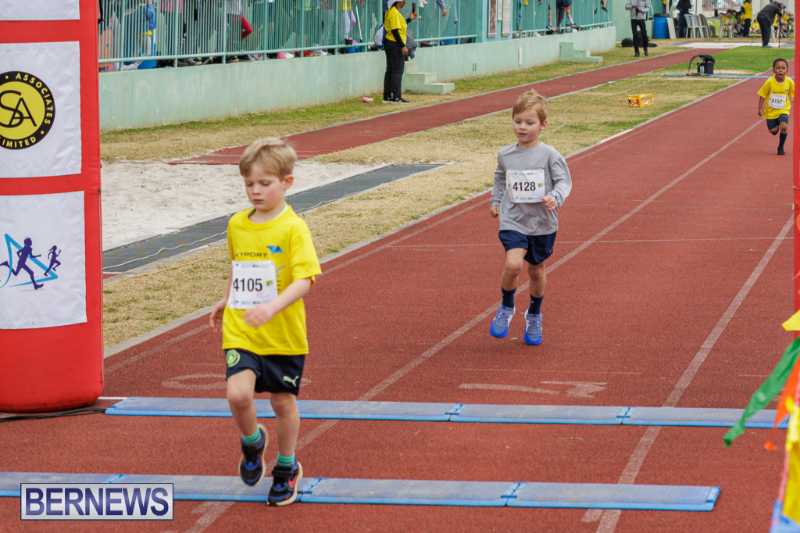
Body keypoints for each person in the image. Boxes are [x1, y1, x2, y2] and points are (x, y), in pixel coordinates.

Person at [209, 137, 322, 506]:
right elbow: (238, 267)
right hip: (242, 328)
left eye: (264, 183)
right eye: (249, 184)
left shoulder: (294, 229)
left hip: (283, 334)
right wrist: (226, 299)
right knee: (237, 394)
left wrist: (273, 307)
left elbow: (306, 279)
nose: (255, 192)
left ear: (287, 182)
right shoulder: (237, 225)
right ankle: (253, 441)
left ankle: (287, 467)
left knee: (282, 403)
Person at [489, 90, 572, 346]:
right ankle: (506, 307)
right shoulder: (506, 154)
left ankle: (534, 313)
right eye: (518, 121)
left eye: (529, 122)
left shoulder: (550, 155)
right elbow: (500, 177)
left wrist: (555, 197)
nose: (522, 127)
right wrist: (495, 200)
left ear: (542, 125)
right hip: (513, 219)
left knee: (536, 270)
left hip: (542, 222)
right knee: (513, 265)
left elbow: (564, 181)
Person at [757, 57, 795, 156]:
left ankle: (780, 147)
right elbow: (762, 95)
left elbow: (794, 93)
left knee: (784, 126)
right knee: (773, 131)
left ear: (787, 70)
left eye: (783, 68)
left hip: (784, 110)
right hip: (771, 112)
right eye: (778, 68)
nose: (780, 70)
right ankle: (776, 124)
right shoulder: (769, 82)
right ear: (773, 70)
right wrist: (760, 108)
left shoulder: (789, 81)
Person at [383, 0, 417, 103]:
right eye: (403, 1)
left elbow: (400, 26)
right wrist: (402, 46)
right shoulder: (394, 12)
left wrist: (409, 19)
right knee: (397, 70)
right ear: (397, 2)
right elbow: (395, 31)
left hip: (391, 43)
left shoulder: (394, 12)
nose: (404, 3)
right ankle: (396, 96)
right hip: (394, 44)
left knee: (391, 70)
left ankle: (388, 95)